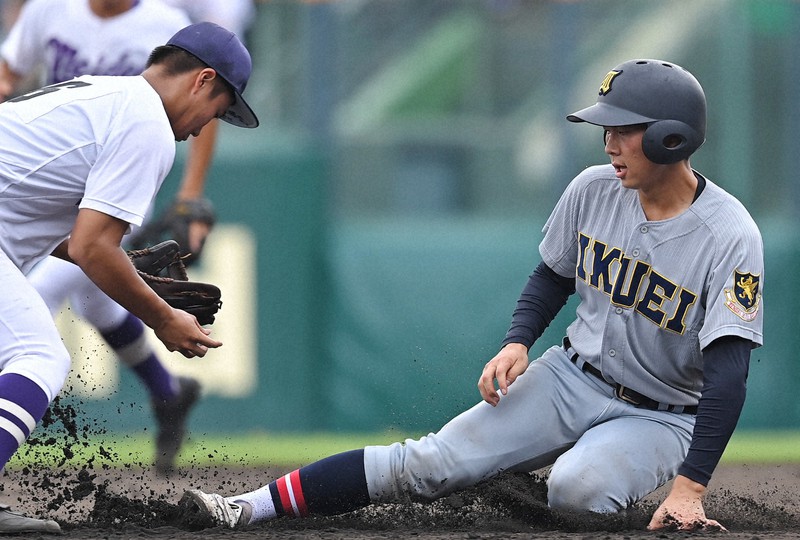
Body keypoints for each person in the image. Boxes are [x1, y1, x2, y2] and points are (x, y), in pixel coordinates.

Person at [182, 59, 763, 532]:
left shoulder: (729, 235)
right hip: (571, 376)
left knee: (576, 492)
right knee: (428, 463)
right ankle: (250, 507)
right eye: (604, 129)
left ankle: (528, 472)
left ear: (669, 137)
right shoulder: (593, 190)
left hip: (662, 414)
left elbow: (729, 373)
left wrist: (689, 489)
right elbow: (553, 276)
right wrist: (517, 343)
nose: (608, 142)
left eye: (622, 129)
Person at [0, 21, 258, 532]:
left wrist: (125, 269)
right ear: (203, 80)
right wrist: (162, 318)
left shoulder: (109, 93)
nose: (207, 126)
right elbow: (92, 246)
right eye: (219, 109)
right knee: (39, 355)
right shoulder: (146, 124)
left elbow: (68, 236)